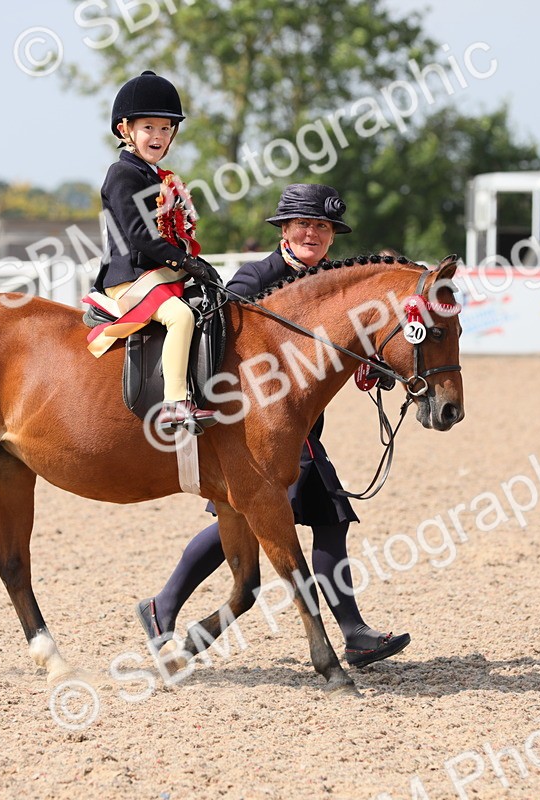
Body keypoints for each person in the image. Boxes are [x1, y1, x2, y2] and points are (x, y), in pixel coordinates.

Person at [136, 184, 412, 668]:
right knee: (250, 522)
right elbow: (230, 349)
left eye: (322, 227)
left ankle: (353, 633)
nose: (313, 234)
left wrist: (368, 364)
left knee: (329, 521)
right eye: (304, 224)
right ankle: (165, 604)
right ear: (284, 230)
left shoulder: (330, 285)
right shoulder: (255, 278)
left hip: (301, 431)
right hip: (251, 434)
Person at [85, 70, 217, 432]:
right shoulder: (122, 174)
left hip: (157, 272)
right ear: (124, 130)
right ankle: (175, 403)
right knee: (181, 317)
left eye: (164, 128)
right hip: (128, 277)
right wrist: (184, 262)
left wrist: (196, 262)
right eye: (148, 127)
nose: (158, 136)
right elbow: (141, 237)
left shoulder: (159, 177)